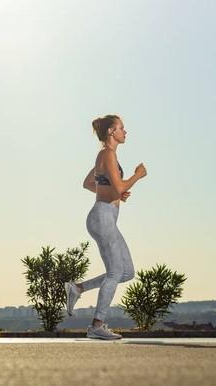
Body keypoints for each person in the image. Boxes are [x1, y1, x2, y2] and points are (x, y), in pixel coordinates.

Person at [65, 114, 147, 340]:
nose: (125, 131)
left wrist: (116, 192)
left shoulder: (105, 155)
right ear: (111, 131)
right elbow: (119, 186)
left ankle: (78, 288)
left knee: (127, 272)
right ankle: (96, 326)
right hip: (102, 217)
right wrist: (137, 176)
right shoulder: (108, 154)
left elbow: (89, 184)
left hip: (105, 217)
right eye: (121, 128)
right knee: (114, 272)